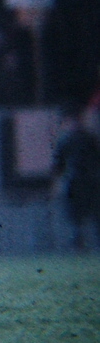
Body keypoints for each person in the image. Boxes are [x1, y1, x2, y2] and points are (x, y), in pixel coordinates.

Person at [51, 103, 100, 250]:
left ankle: (79, 244)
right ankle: (85, 243)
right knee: (91, 214)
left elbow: (58, 165)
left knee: (77, 215)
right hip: (89, 180)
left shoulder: (67, 140)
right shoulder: (89, 138)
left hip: (76, 181)